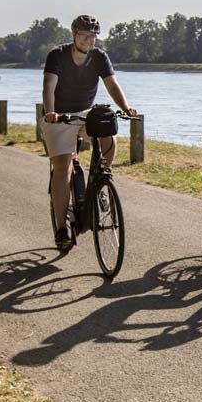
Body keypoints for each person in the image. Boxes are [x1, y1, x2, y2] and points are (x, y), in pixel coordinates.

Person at [42, 15, 137, 251]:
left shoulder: (99, 57)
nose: (88, 40)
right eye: (84, 36)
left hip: (84, 113)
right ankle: (62, 229)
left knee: (109, 139)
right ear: (74, 35)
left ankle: (99, 182)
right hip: (61, 115)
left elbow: (112, 84)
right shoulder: (57, 55)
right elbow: (49, 86)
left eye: (92, 36)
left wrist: (125, 108)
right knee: (63, 167)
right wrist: (51, 112)